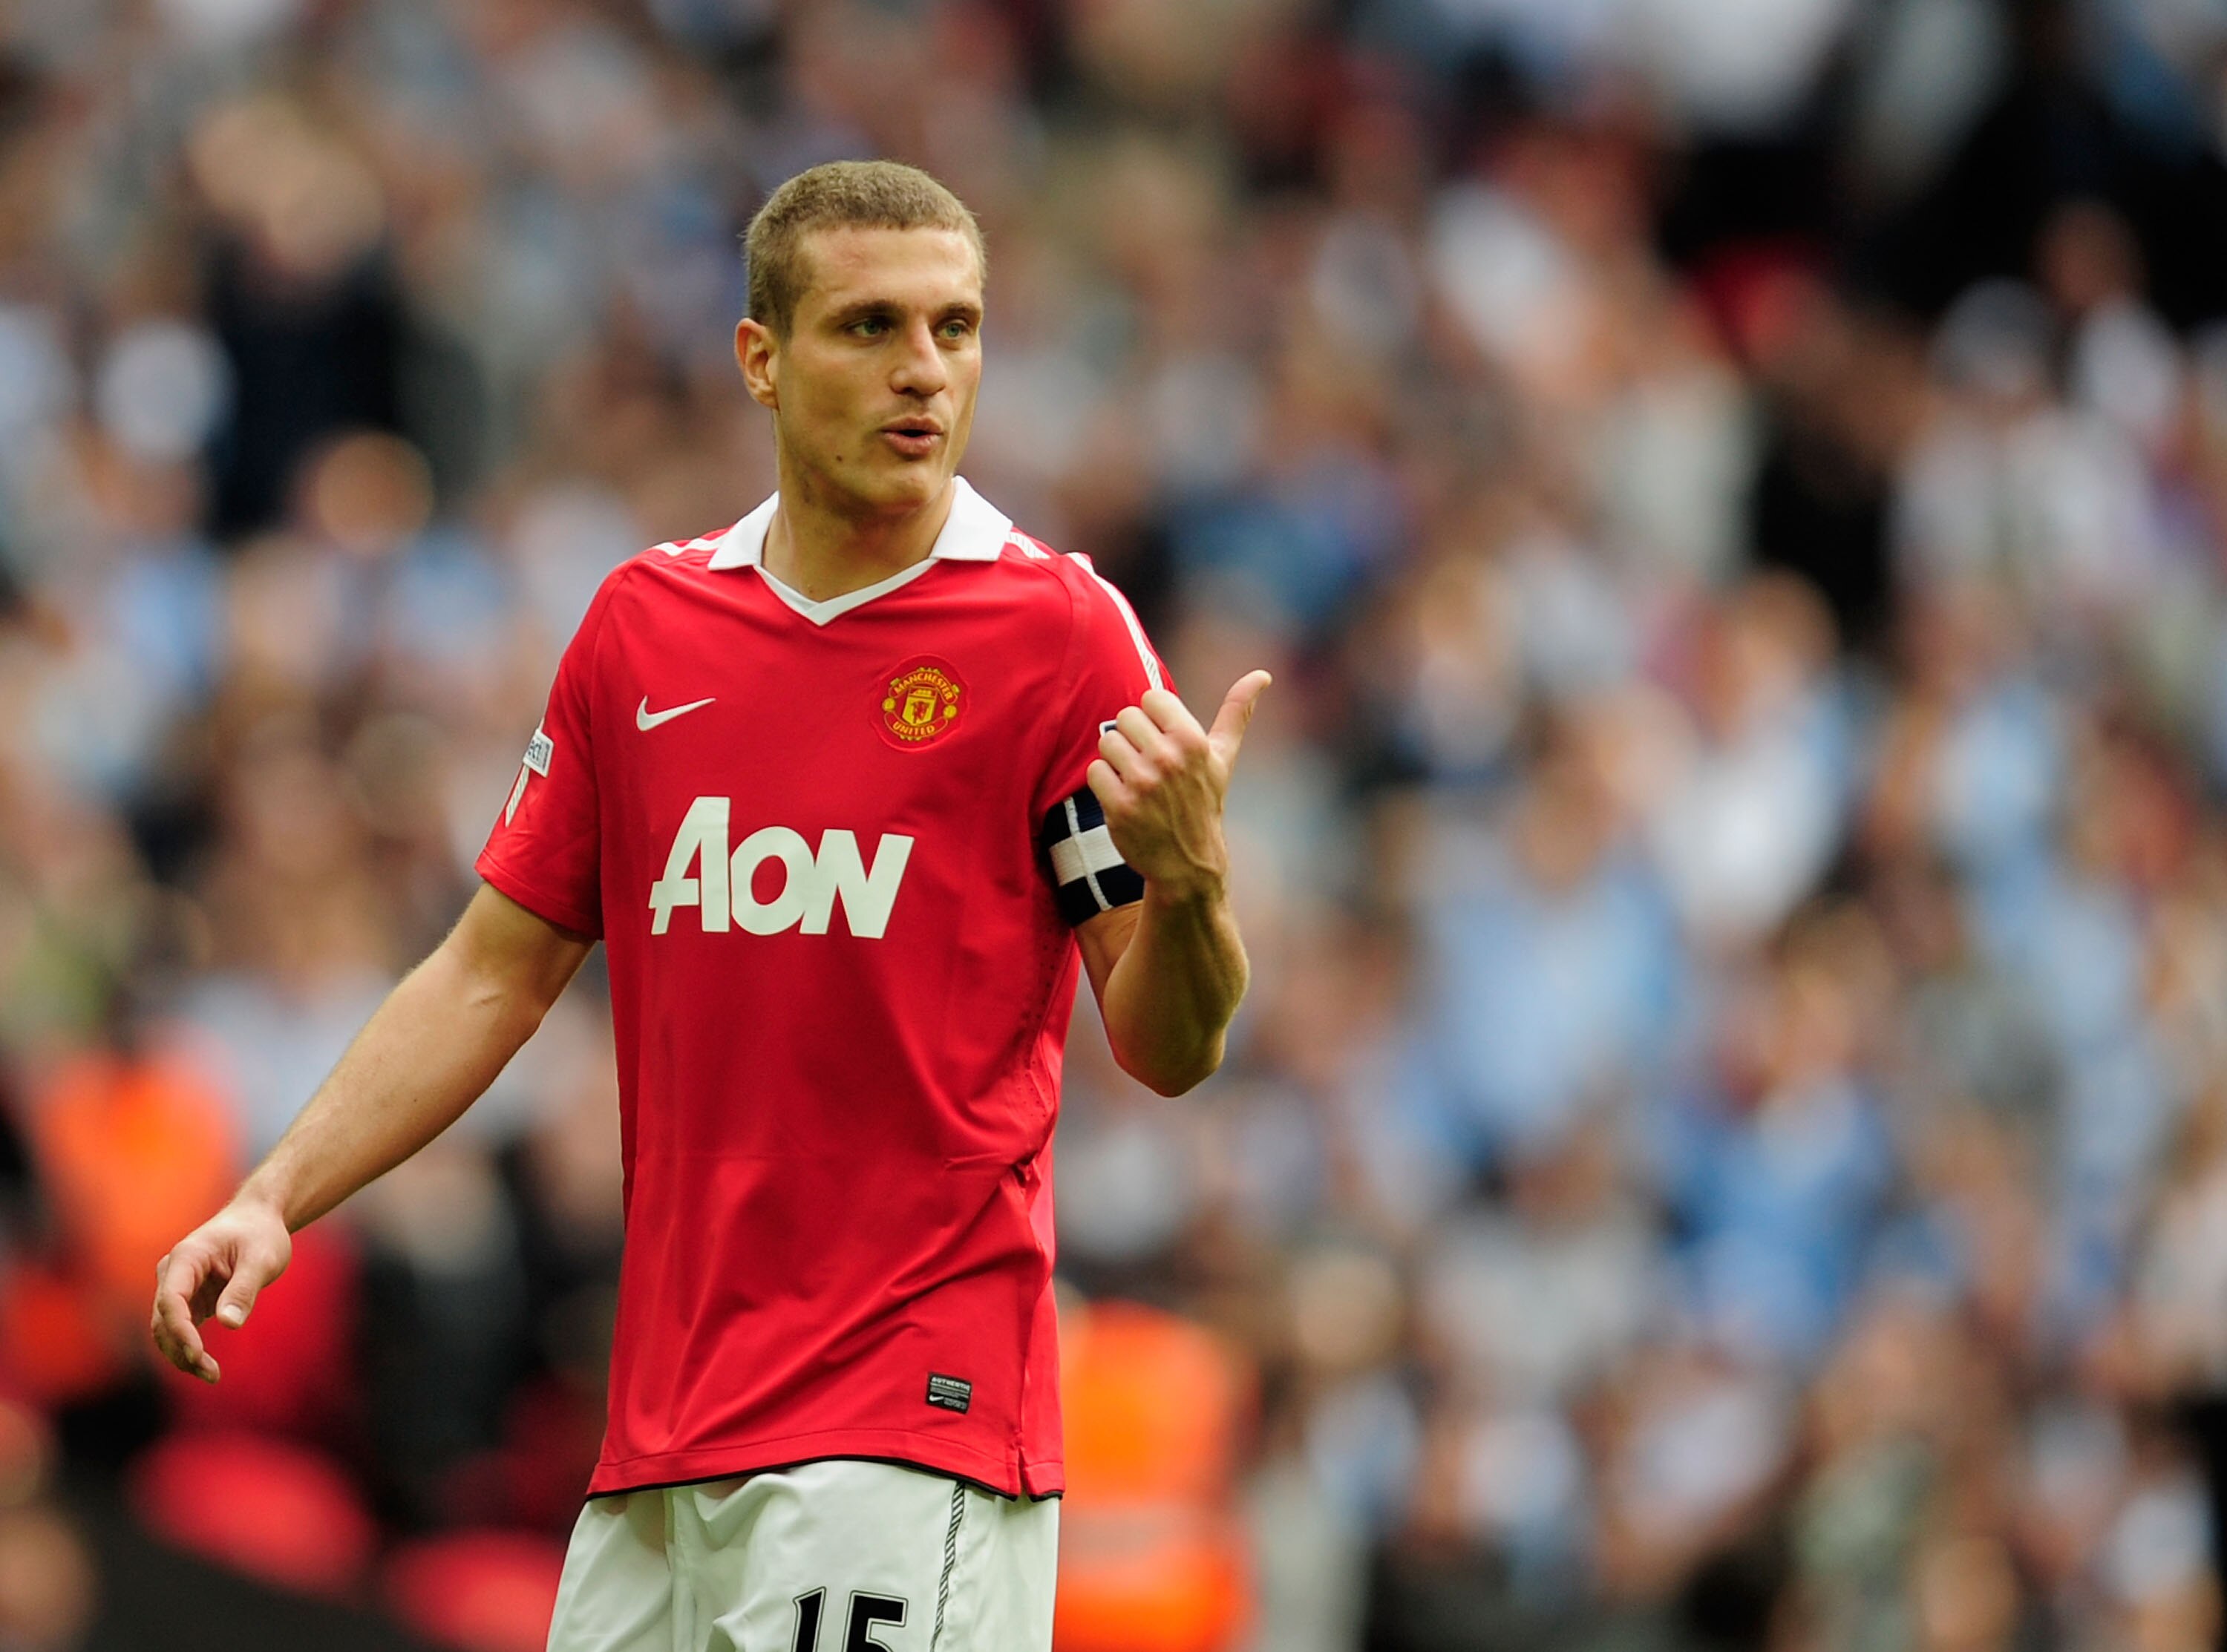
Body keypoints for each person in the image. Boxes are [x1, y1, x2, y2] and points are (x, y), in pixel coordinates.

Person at [149, 160, 1267, 1652]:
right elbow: (493, 970)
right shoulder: (646, 629)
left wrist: (1190, 887)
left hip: (907, 1423)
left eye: (958, 327)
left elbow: (1169, 1043)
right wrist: (274, 1194)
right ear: (761, 356)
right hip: (665, 1437)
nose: (925, 370)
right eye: (871, 325)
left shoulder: (1054, 639)